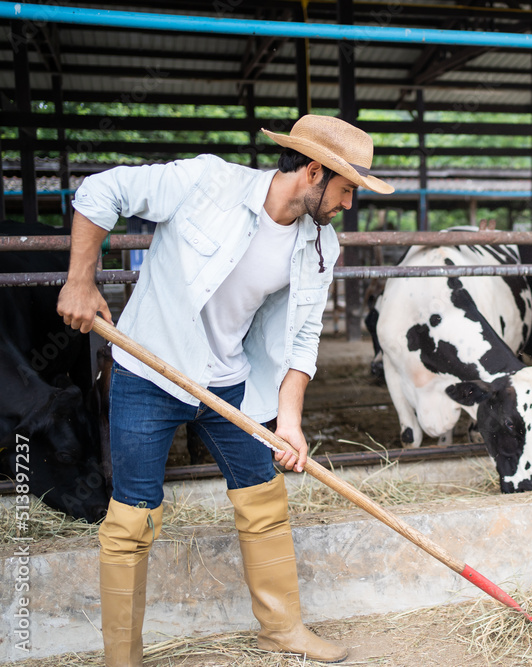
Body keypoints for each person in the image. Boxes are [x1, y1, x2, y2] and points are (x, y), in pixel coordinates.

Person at [57, 115, 394, 666]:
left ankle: (282, 630)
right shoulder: (207, 182)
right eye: (347, 189)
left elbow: (302, 337)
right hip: (150, 372)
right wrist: (80, 279)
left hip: (229, 382)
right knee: (131, 518)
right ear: (313, 172)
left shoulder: (320, 246)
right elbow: (101, 190)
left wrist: (289, 421)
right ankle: (122, 657)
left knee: (264, 497)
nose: (348, 204)